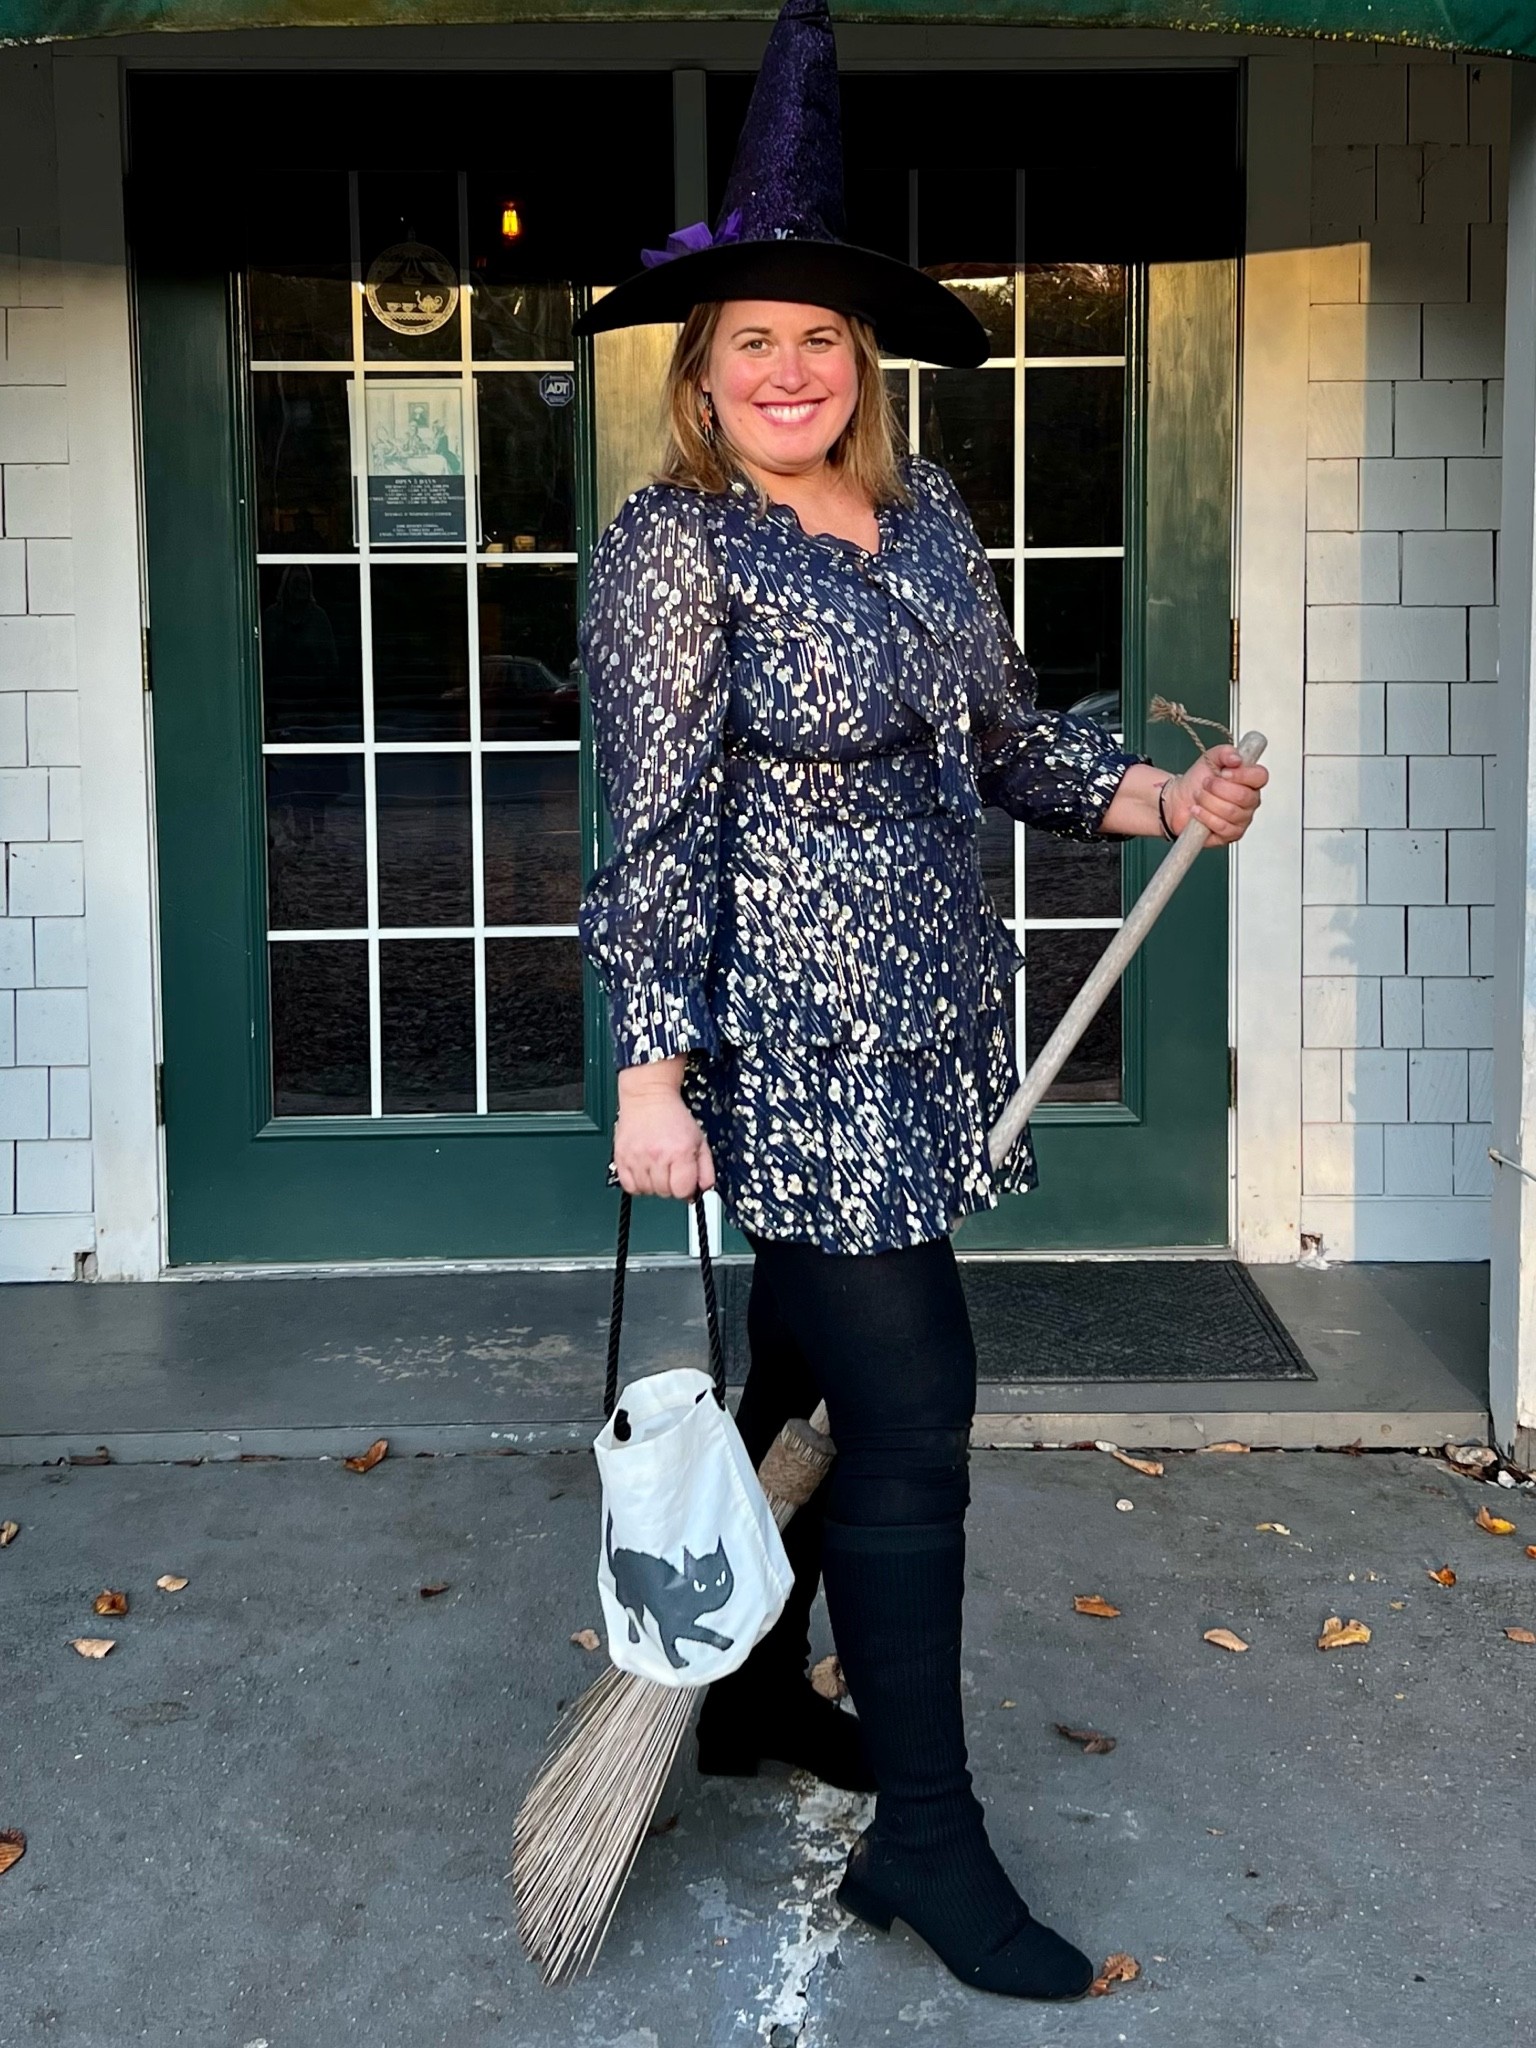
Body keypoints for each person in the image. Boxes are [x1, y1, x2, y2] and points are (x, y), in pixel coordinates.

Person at [574, 0, 1265, 2004]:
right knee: (915, 1418)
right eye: (751, 342)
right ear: (701, 372)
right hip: (793, 1047)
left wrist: (1158, 796)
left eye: (819, 335)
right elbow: (656, 825)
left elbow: (1013, 748)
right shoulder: (676, 550)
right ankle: (929, 1841)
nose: (788, 368)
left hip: (937, 1023)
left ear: (860, 359)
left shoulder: (933, 516)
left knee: (805, 1371)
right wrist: (651, 1070)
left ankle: (746, 1697)